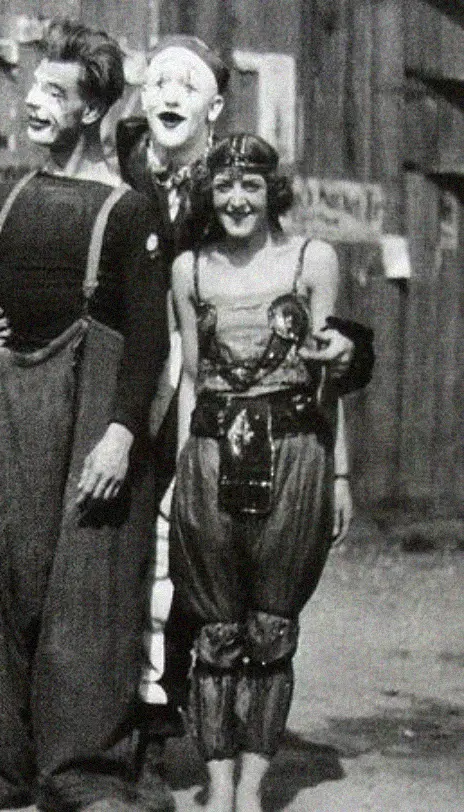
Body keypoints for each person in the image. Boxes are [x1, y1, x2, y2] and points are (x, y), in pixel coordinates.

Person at [114, 35, 373, 745]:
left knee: (210, 569)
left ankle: (197, 729)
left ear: (215, 107)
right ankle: (128, 723)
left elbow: (310, 326)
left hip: (230, 397)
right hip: (138, 384)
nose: (168, 95)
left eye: (186, 85)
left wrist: (352, 358)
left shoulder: (235, 184)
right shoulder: (122, 177)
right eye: (156, 81)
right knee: (133, 556)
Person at [0, 19, 172, 812]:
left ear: (90, 111)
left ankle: (86, 773)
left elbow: (150, 336)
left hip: (92, 421)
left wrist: (121, 433)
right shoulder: (5, 200)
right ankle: (3, 764)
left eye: (55, 93)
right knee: (12, 587)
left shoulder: (130, 212)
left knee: (88, 598)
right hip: (12, 414)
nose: (36, 103)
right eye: (35, 89)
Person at [169, 133, 355, 812]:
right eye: (223, 187)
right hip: (213, 452)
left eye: (250, 185)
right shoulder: (188, 270)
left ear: (271, 191)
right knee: (216, 632)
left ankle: (251, 791)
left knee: (271, 629)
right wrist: (179, 475)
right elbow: (190, 378)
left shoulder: (313, 259)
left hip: (298, 451)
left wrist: (339, 476)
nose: (237, 200)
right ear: (208, 194)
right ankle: (217, 791)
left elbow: (331, 377)